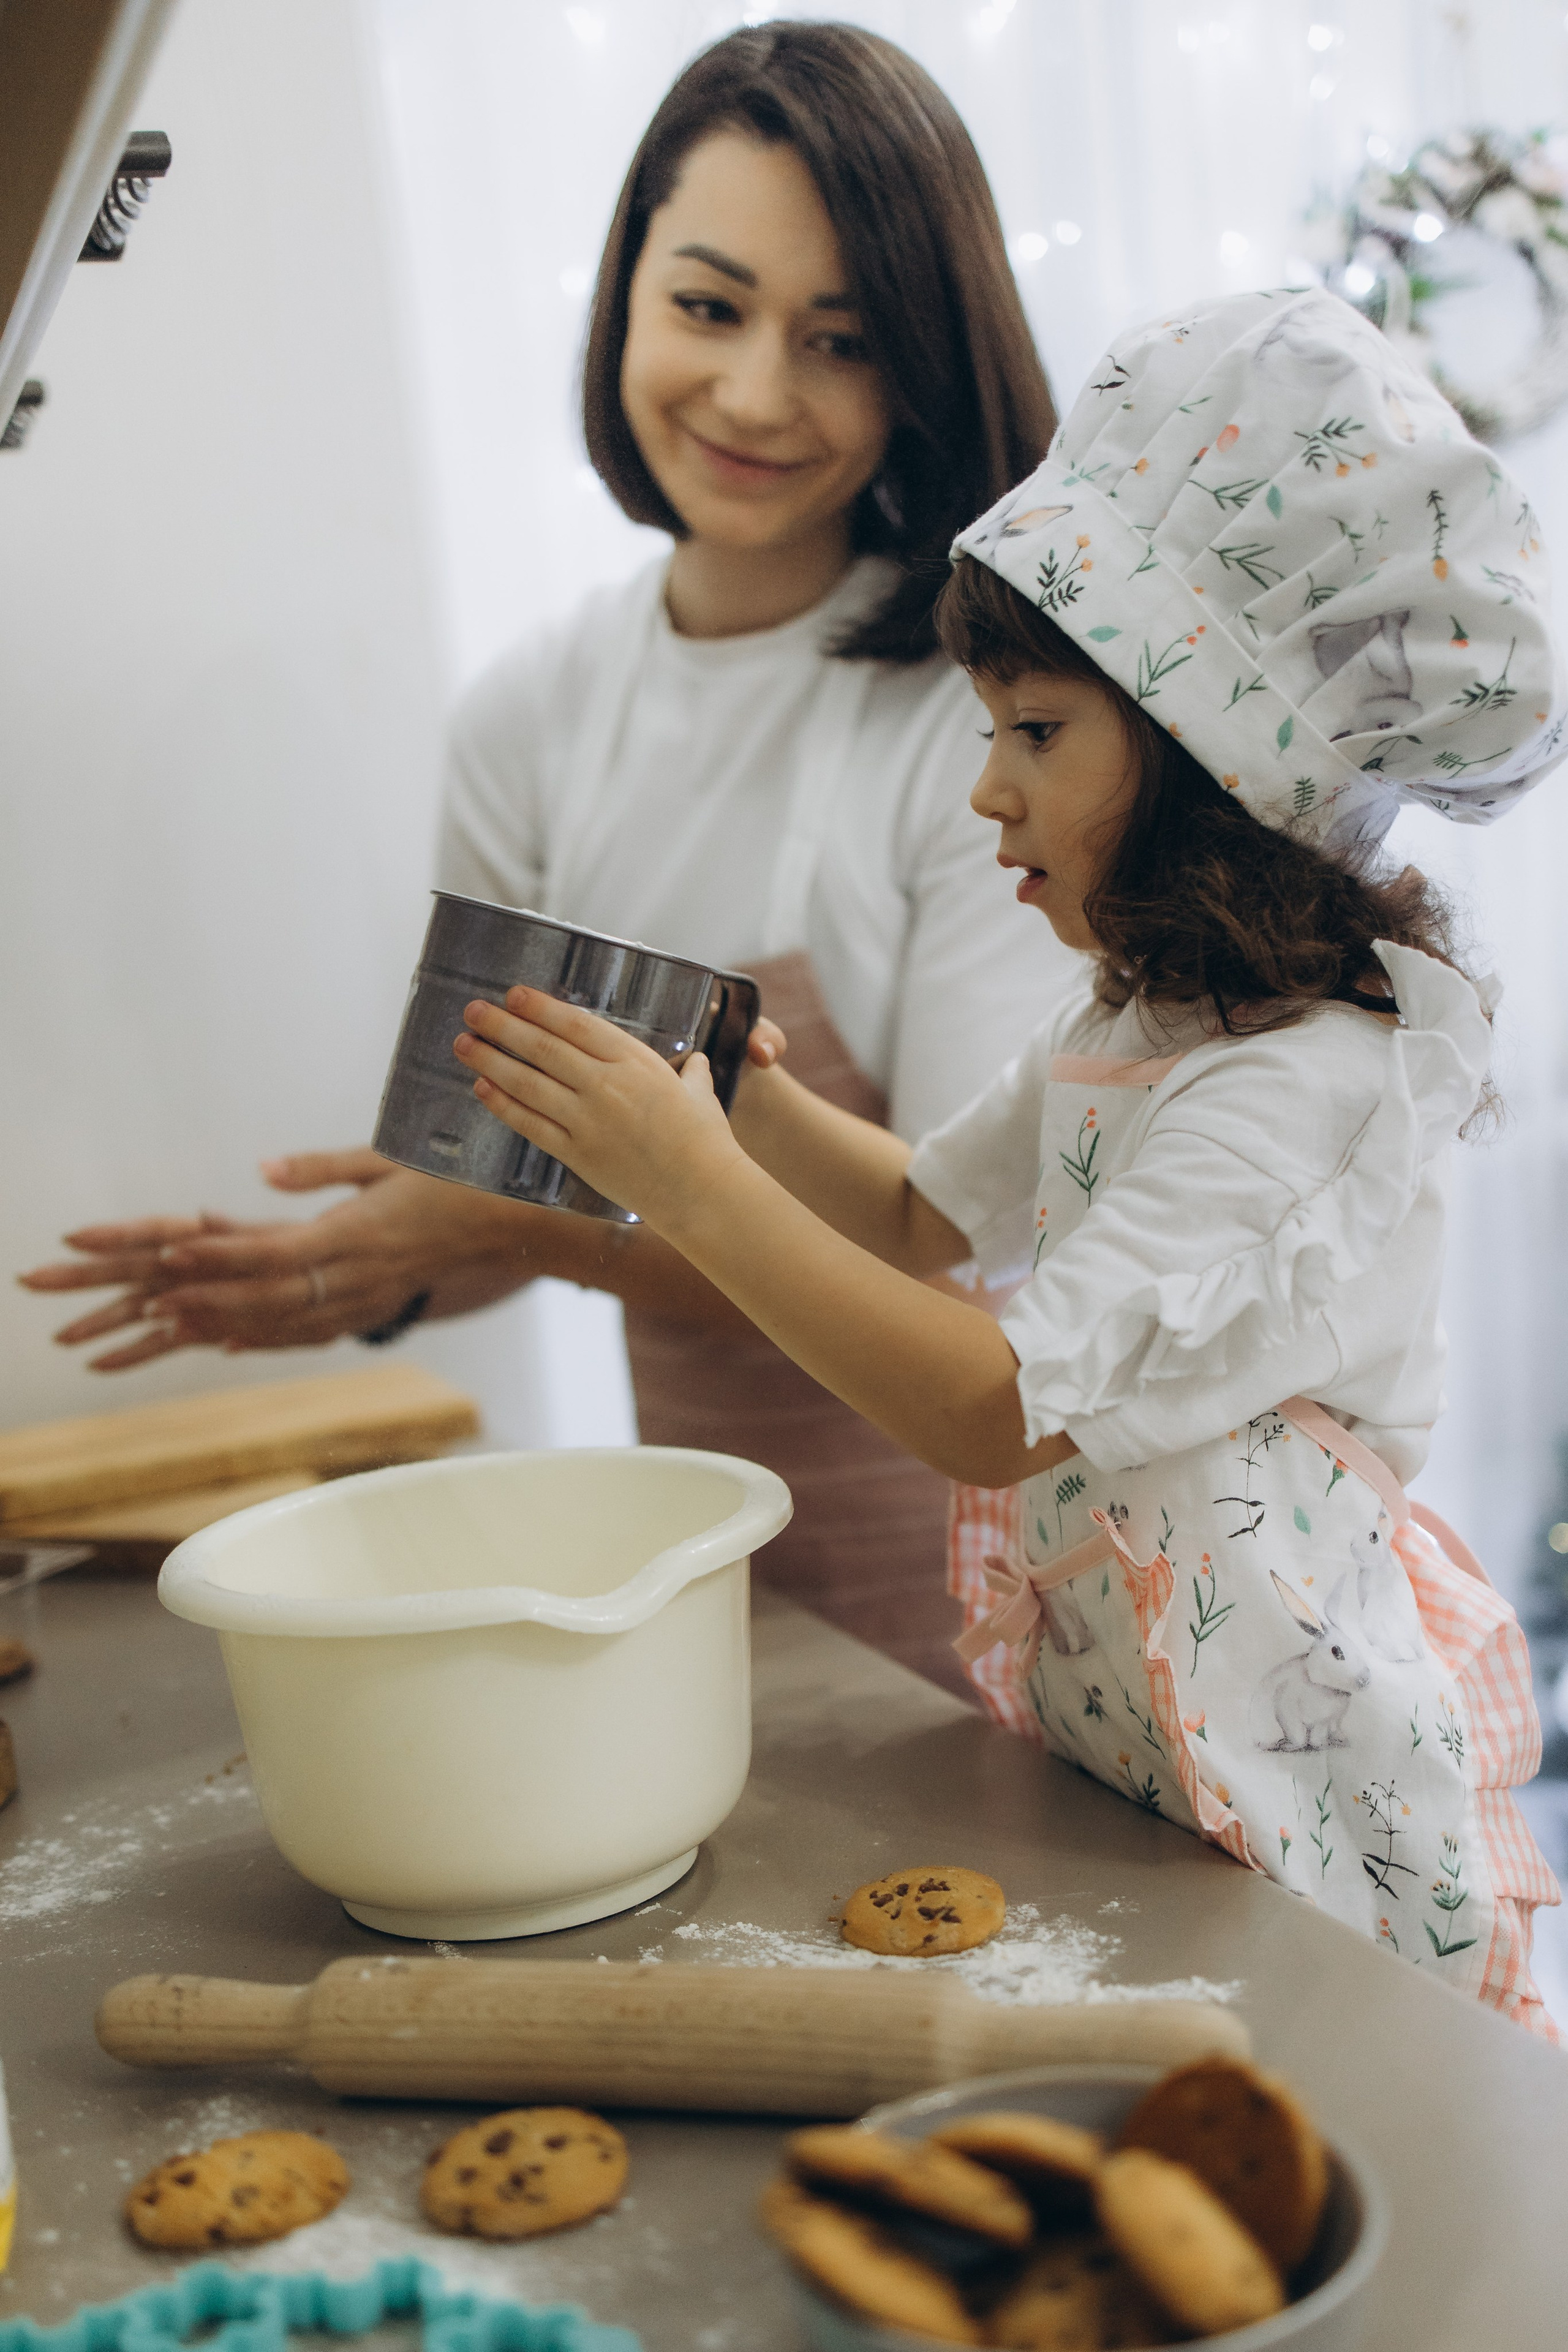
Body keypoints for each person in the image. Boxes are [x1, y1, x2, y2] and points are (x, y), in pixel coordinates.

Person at [444, 287, 1564, 2034]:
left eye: (1036, 733)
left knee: (1352, 2145)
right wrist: (745, 1097)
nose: (988, 790)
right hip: (1143, 1728)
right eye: (989, 729)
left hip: (1301, 1777)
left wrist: (688, 1179)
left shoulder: (1310, 1086)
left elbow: (989, 1400)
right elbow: (916, 1212)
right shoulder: (1142, 1012)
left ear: (1219, 761)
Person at [18, 24, 1078, 1691]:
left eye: (842, 340)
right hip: (699, 1582)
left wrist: (486, 1233)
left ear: (926, 364)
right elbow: (496, 1186)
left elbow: (949, 1280)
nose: (752, 394)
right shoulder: (534, 712)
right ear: (626, 291)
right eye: (709, 306)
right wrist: (335, 1278)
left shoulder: (982, 734)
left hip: (983, 1580)